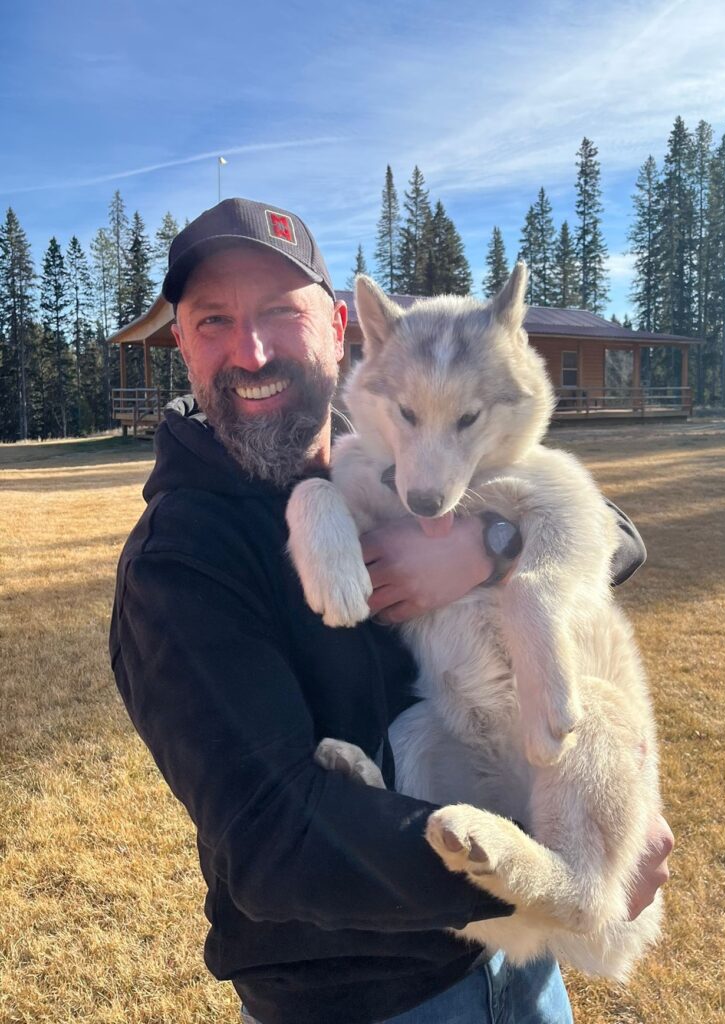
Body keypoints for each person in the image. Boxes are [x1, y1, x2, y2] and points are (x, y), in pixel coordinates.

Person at [109, 198, 673, 1024]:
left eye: (279, 312)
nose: (251, 350)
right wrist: (545, 875)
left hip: (514, 972)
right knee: (417, 738)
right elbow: (271, 843)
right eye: (212, 320)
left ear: (341, 330)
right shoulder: (179, 561)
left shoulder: (385, 454)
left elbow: (606, 528)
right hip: (365, 999)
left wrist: (488, 546)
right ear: (184, 346)